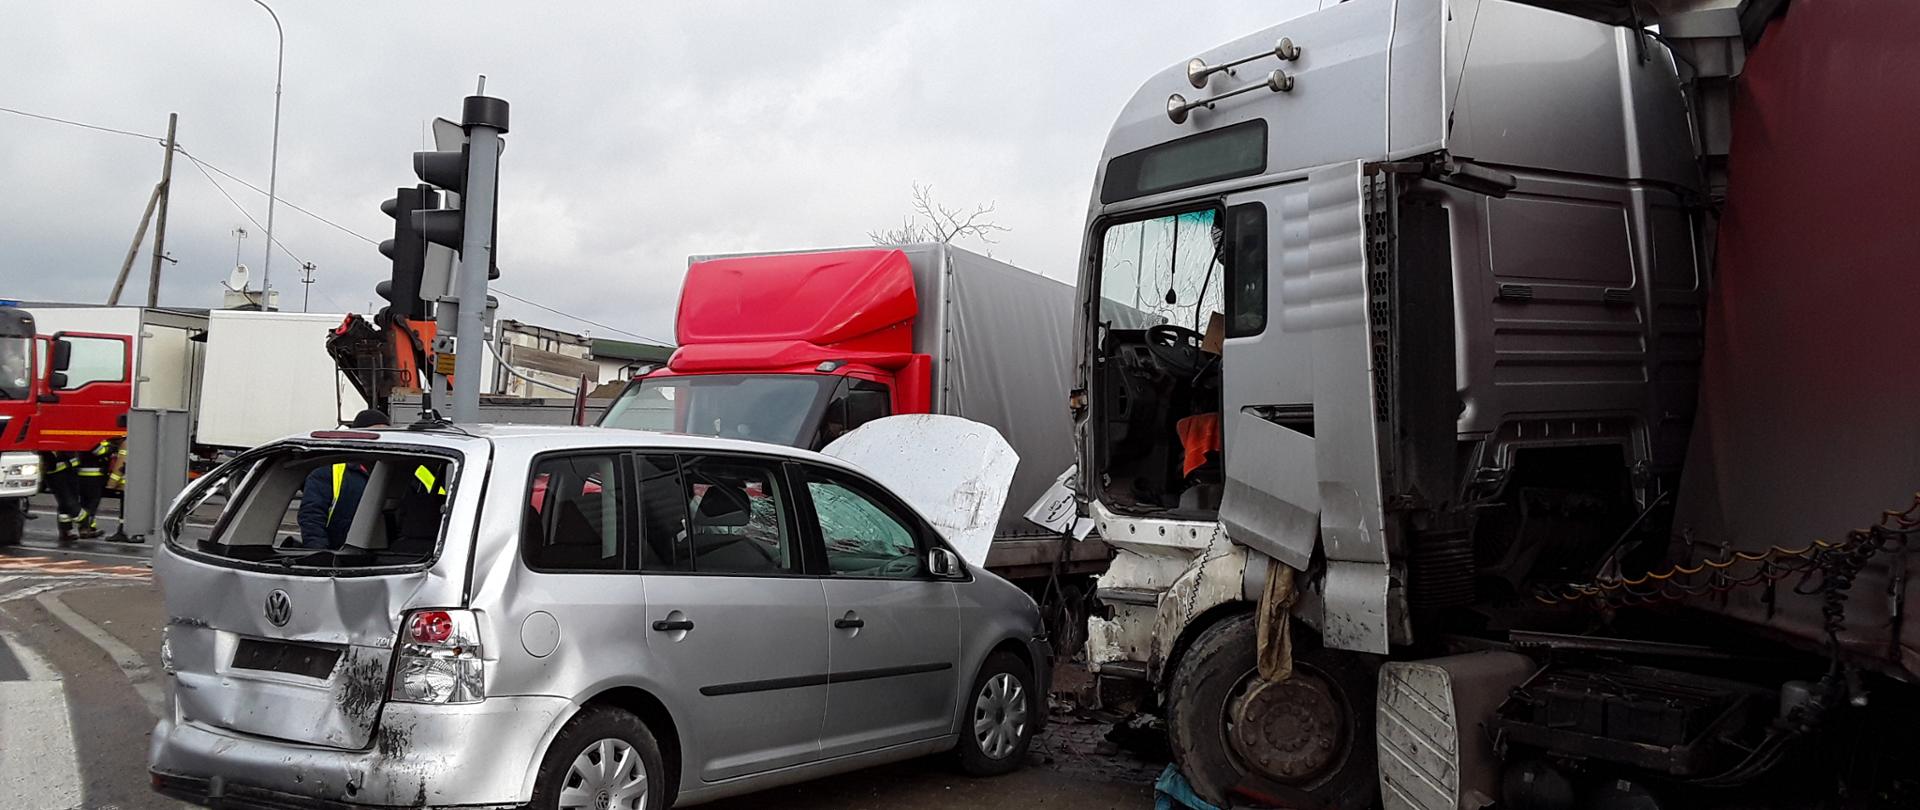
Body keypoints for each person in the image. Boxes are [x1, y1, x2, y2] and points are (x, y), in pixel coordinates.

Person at [295, 410, 390, 550]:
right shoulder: (328, 473)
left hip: (397, 554)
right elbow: (311, 518)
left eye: (385, 435)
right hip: (342, 557)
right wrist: (320, 556)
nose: (381, 441)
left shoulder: (402, 469)